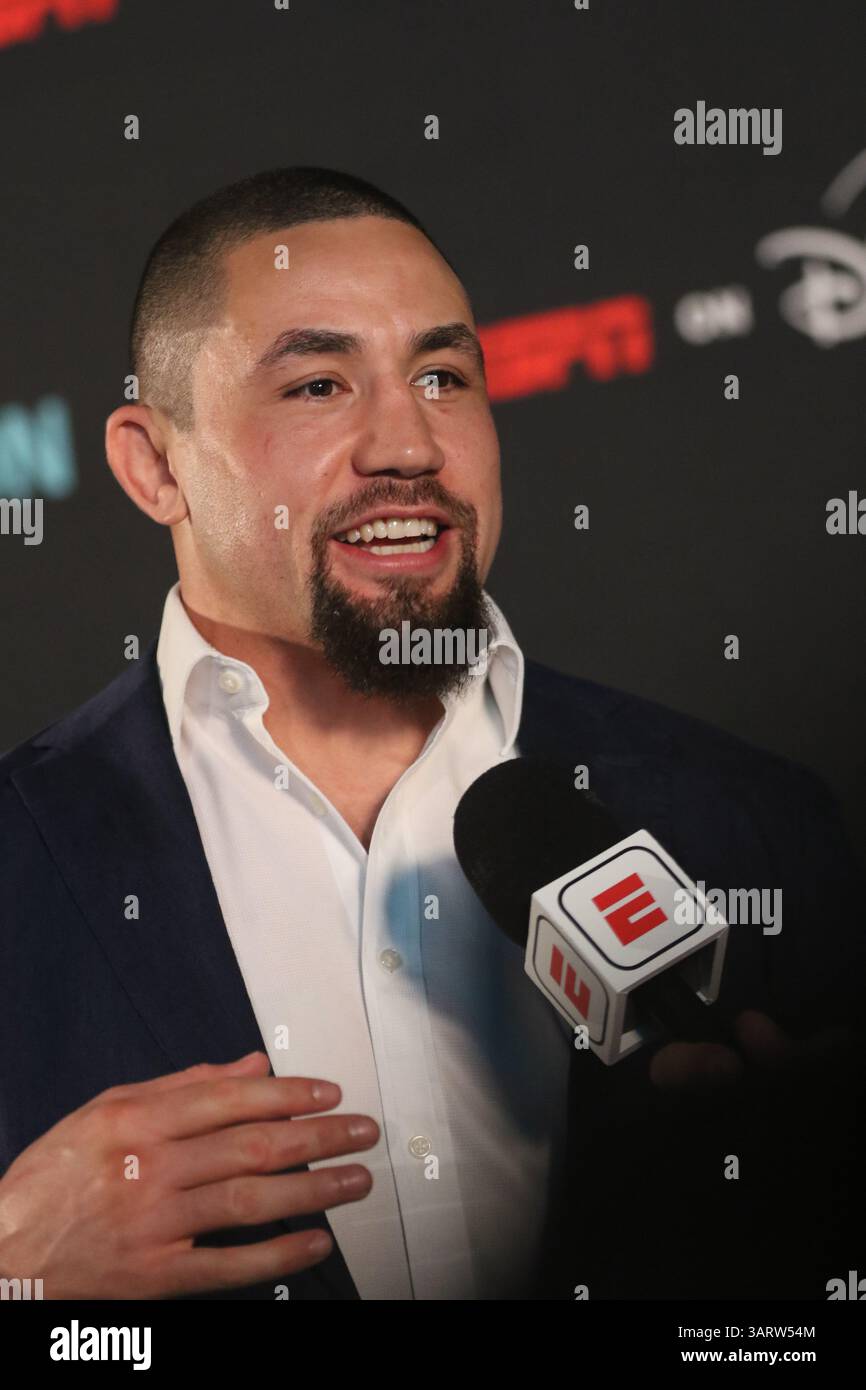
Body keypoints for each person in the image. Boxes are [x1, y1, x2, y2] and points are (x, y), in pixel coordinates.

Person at [0, 167, 863, 1301]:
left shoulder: (754, 823)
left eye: (443, 375)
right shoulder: (24, 861)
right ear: (155, 465)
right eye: (317, 385)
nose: (406, 444)